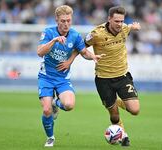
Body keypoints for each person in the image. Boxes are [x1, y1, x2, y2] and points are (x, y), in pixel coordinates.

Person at [59, 6, 141, 146]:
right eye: (116, 21)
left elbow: (129, 28)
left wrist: (134, 26)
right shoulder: (96, 34)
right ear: (109, 19)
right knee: (114, 116)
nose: (119, 24)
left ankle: (116, 102)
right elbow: (80, 47)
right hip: (103, 79)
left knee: (135, 110)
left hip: (122, 76)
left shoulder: (125, 28)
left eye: (122, 21)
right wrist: (69, 61)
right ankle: (123, 134)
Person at [37, 5, 104, 147]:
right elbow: (40, 52)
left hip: (62, 78)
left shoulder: (74, 35)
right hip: (46, 77)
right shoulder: (48, 32)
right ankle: (50, 138)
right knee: (46, 110)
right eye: (63, 21)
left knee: (69, 105)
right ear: (57, 20)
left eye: (68, 20)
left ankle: (57, 103)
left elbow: (83, 52)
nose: (66, 23)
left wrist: (93, 56)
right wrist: (54, 40)